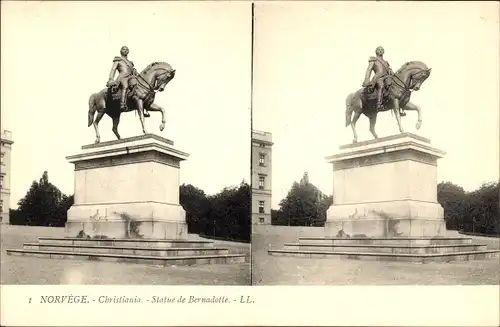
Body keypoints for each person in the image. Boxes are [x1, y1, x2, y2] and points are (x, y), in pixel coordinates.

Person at [106, 46, 149, 117]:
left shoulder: (130, 63)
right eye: (123, 49)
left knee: (140, 88)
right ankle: (122, 104)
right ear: (121, 51)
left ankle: (142, 107)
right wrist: (111, 78)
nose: (125, 50)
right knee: (125, 85)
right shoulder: (118, 60)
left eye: (126, 49)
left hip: (131, 77)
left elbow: (132, 72)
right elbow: (113, 70)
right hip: (122, 77)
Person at [362, 46, 404, 116]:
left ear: (383, 52)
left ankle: (399, 107)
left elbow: (389, 71)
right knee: (381, 85)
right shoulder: (373, 60)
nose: (380, 51)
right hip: (378, 78)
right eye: (379, 50)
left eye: (382, 50)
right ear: (376, 51)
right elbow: (369, 70)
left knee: (395, 88)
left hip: (387, 78)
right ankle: (379, 104)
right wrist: (367, 79)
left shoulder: (386, 62)